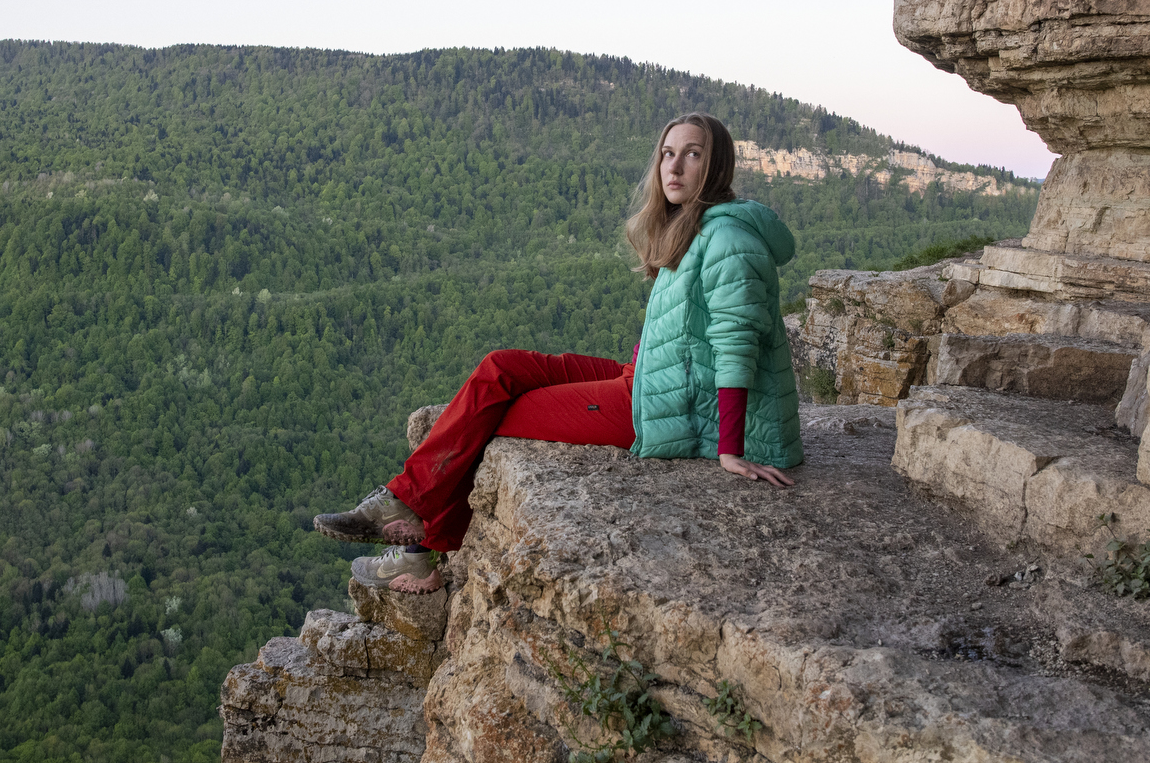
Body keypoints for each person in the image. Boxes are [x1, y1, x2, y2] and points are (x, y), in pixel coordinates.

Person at [314, 112, 804, 593]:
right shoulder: (692, 227)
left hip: (663, 407)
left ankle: (418, 547)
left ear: (716, 166)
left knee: (491, 416)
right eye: (667, 154)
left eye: (692, 155)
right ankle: (402, 507)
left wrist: (730, 449)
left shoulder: (728, 239)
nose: (673, 167)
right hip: (649, 376)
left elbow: (737, 344)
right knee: (500, 368)